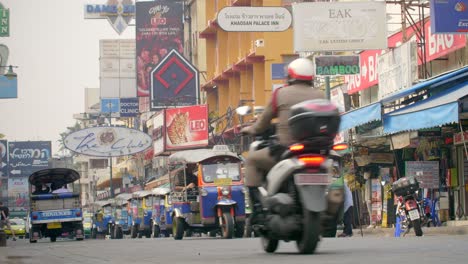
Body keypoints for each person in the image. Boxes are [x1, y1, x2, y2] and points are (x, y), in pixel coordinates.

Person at [240, 58, 325, 221]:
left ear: (290, 76)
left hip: (286, 150)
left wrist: (249, 129)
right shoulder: (320, 94)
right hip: (317, 149)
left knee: (251, 159)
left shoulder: (280, 93)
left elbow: (262, 123)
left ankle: (257, 209)